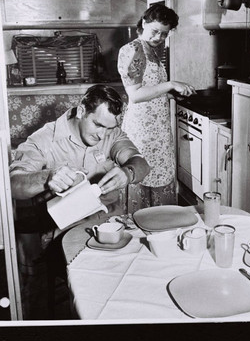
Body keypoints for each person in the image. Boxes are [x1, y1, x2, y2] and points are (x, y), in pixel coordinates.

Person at [9, 84, 150, 318]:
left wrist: (128, 173)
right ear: (82, 111)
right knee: (96, 294)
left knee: (143, 275)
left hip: (112, 225)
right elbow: (14, 184)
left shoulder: (110, 133)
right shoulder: (44, 139)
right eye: (98, 125)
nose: (102, 135)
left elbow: (139, 161)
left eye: (109, 128)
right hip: (66, 235)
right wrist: (47, 177)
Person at [117, 3, 195, 211]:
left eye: (164, 34)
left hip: (157, 130)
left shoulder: (151, 51)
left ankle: (160, 228)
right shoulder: (132, 50)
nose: (158, 38)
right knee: (144, 176)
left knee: (159, 176)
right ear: (144, 23)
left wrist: (171, 94)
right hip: (143, 131)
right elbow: (135, 95)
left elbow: (150, 88)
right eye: (154, 31)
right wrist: (170, 84)